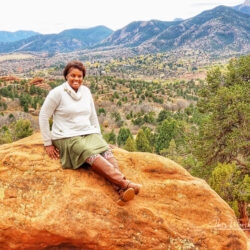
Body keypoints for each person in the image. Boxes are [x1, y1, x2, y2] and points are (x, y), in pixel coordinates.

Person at [39, 61, 141, 205]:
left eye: (80, 76)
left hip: (87, 132)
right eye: (72, 75)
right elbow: (43, 116)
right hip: (65, 136)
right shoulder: (56, 93)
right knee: (88, 152)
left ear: (83, 77)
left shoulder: (85, 92)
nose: (76, 79)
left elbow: (93, 116)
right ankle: (126, 184)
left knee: (105, 150)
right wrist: (47, 143)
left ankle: (121, 190)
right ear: (66, 76)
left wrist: (99, 138)